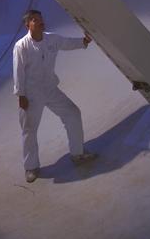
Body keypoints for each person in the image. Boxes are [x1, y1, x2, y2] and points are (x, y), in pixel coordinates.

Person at [13, 9, 97, 184]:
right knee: (29, 130)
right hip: (31, 94)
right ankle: (31, 167)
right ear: (27, 24)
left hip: (51, 89)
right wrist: (21, 94)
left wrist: (84, 42)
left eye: (41, 19)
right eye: (35, 20)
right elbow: (18, 71)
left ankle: (77, 153)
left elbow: (67, 43)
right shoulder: (21, 46)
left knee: (73, 113)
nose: (40, 22)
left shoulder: (52, 39)